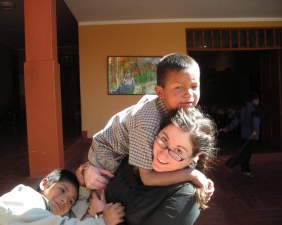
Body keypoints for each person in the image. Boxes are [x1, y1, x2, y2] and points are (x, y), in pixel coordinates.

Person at [81, 53, 213, 196]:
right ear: (160, 92)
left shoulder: (174, 108)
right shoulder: (147, 123)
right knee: (99, 197)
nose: (189, 94)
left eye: (194, 86)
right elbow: (148, 178)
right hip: (107, 154)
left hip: (125, 148)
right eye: (179, 87)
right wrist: (191, 175)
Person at [101, 107, 218, 225]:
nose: (162, 154)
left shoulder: (186, 196)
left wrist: (105, 218)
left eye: (178, 151)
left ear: (194, 157)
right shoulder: (136, 155)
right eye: (164, 139)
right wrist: (84, 175)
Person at [0, 169, 124, 225]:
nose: (64, 200)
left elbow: (67, 218)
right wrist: (102, 221)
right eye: (62, 190)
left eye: (70, 201)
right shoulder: (27, 197)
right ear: (44, 183)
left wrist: (84, 189)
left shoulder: (47, 213)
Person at [220, 92, 260, 178]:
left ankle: (246, 170)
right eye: (258, 100)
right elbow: (255, 120)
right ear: (255, 100)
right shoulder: (254, 109)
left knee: (246, 153)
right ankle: (230, 164)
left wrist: (227, 128)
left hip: (243, 134)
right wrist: (256, 130)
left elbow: (235, 122)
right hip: (252, 135)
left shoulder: (242, 109)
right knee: (245, 153)